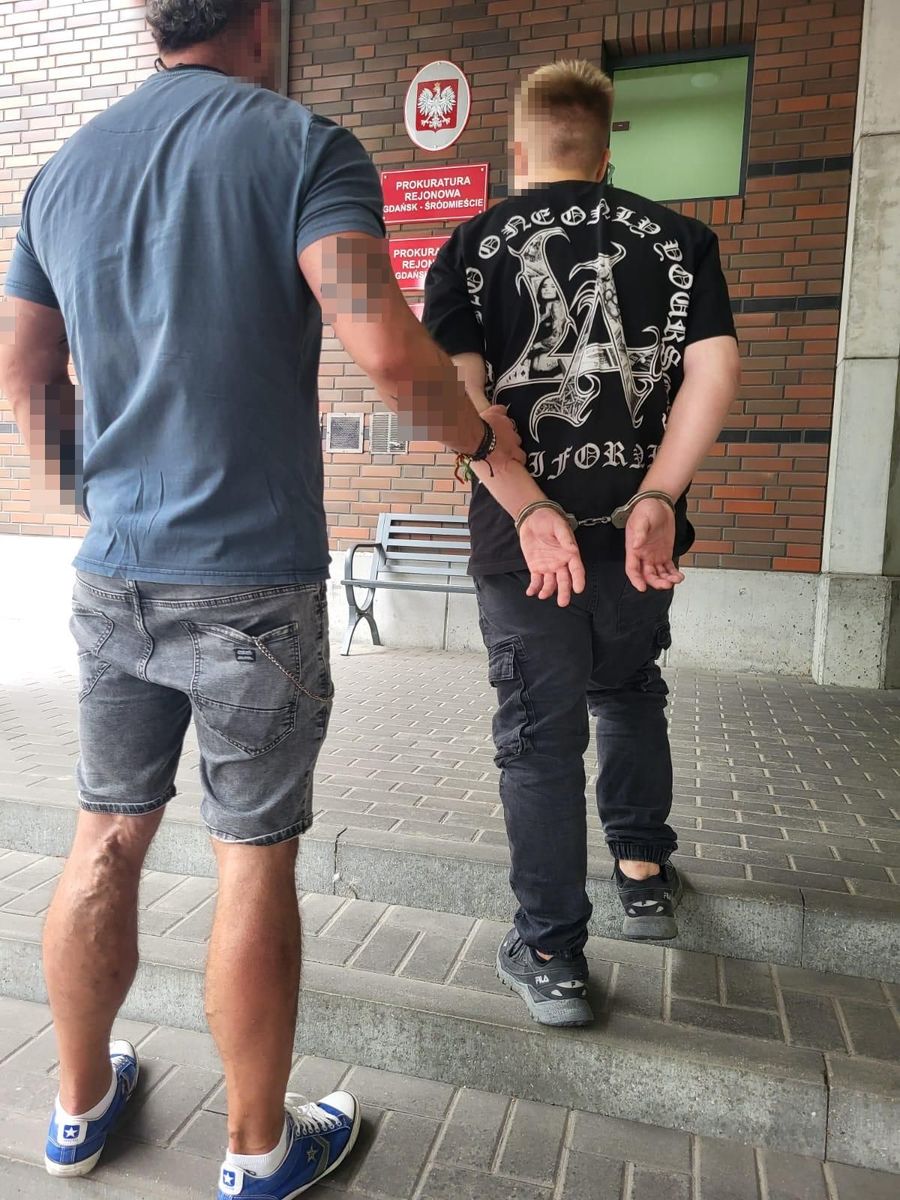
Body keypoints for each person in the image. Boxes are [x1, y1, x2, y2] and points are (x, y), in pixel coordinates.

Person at [0, 3, 535, 1196]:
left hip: (115, 575)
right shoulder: (302, 148)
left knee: (105, 832)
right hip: (251, 582)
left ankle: (76, 1111)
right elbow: (385, 349)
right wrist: (477, 438)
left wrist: (95, 496)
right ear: (257, 21)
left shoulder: (63, 174)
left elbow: (24, 373)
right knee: (250, 858)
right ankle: (256, 1155)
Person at [423, 60, 740, 1027]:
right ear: (607, 155)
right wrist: (658, 493)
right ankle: (642, 877)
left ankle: (554, 954)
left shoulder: (469, 246)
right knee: (630, 689)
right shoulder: (683, 242)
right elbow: (715, 371)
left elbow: (457, 398)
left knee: (539, 738)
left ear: (519, 151)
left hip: (524, 545)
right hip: (640, 537)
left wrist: (528, 507)